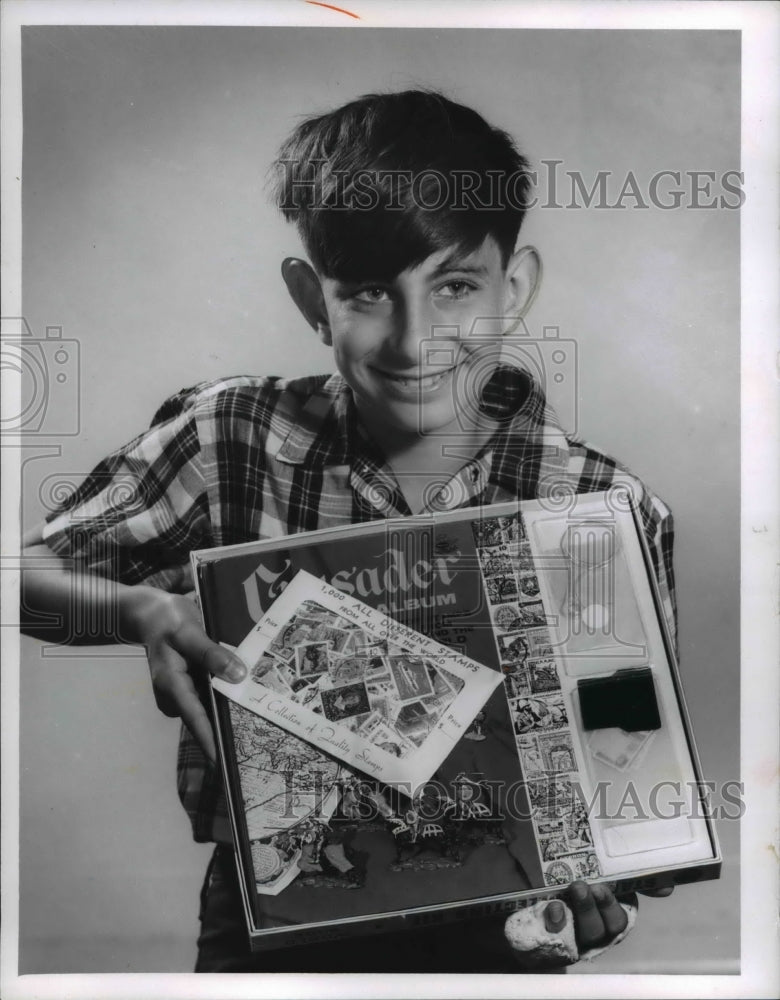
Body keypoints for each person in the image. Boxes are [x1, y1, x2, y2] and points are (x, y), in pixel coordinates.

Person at [20, 89, 675, 972]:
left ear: (513, 289)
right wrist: (135, 609)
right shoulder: (231, 437)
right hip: (278, 922)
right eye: (369, 292)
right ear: (310, 298)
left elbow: (626, 760)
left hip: (503, 921)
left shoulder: (597, 502)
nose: (414, 341)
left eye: (454, 286)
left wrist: (610, 889)